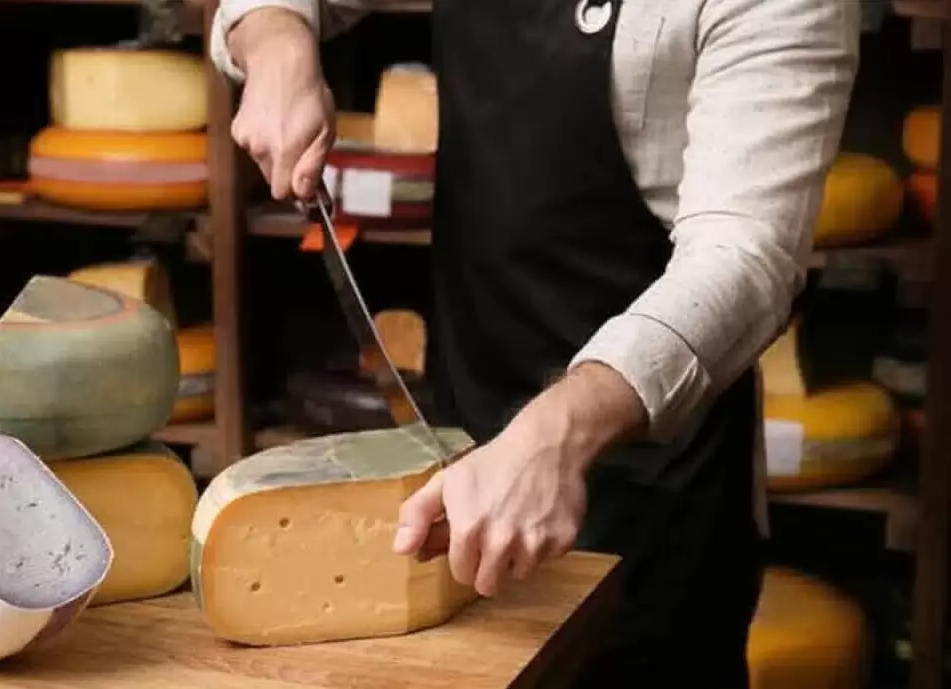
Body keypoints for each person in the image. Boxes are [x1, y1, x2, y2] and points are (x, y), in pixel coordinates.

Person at [210, 1, 859, 686]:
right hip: (461, 448)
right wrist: (277, 39)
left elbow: (745, 258)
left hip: (652, 486)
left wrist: (556, 434)